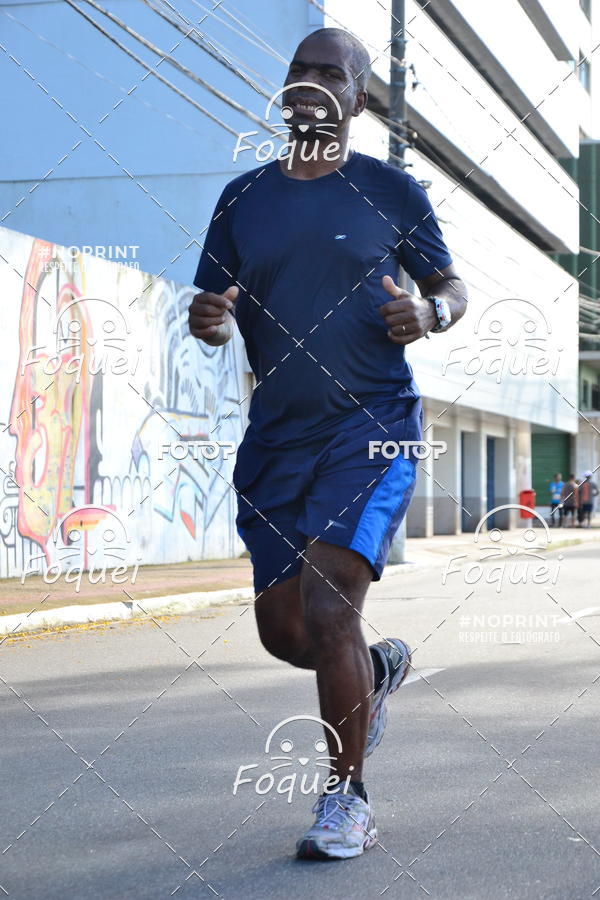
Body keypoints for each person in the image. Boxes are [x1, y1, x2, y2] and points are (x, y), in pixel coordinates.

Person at [189, 27, 467, 860]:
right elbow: (211, 306)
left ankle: (346, 800)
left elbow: (449, 286)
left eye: (329, 73)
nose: (309, 83)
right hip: (276, 437)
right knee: (287, 633)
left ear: (358, 97)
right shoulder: (243, 198)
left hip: (372, 424)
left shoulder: (392, 191)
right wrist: (207, 321)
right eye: (298, 69)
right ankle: (373, 674)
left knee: (329, 603)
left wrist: (429, 314)